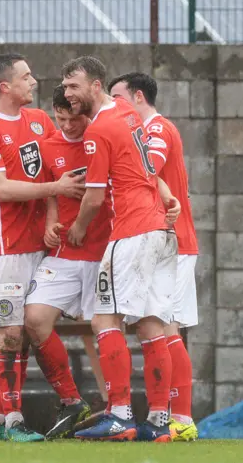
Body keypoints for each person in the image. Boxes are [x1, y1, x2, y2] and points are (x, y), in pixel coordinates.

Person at [59, 56, 180, 442]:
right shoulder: (127, 112)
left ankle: (120, 414)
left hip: (132, 231)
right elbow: (147, 168)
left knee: (104, 320)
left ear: (96, 85)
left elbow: (94, 198)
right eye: (65, 87)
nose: (68, 93)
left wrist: (77, 229)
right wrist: (166, 195)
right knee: (149, 322)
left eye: (74, 86)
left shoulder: (100, 129)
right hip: (158, 227)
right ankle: (159, 420)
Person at [0, 54, 85, 442]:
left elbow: (54, 172)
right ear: (6, 86)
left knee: (32, 328)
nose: (33, 81)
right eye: (26, 76)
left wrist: (53, 217)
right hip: (6, 249)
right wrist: (54, 190)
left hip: (43, 247)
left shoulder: (39, 121)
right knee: (10, 335)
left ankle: (4, 421)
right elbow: (0, 189)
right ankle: (14, 421)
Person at [109, 72, 199, 442]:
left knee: (167, 326)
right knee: (163, 326)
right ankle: (175, 417)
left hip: (170, 242)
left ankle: (180, 417)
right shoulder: (142, 131)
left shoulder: (156, 131)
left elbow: (148, 169)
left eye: (118, 98)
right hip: (161, 240)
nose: (113, 106)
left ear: (139, 97)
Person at [24, 84, 113, 439]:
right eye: (60, 119)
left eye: (73, 119)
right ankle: (73, 400)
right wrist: (49, 224)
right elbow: (49, 193)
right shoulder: (48, 146)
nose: (67, 126)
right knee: (34, 319)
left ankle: (119, 407)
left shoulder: (102, 138)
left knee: (105, 331)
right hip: (64, 252)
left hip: (102, 251)